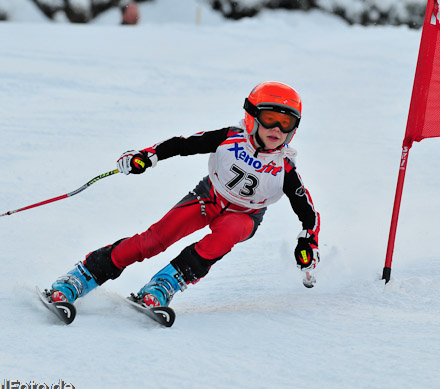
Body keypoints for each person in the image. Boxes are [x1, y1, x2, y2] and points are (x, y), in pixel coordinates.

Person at [47, 81, 320, 308]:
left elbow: (308, 212)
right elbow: (183, 144)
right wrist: (147, 156)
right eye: (270, 119)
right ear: (252, 116)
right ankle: (83, 275)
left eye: (286, 122)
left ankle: (165, 284)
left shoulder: (284, 168)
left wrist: (309, 242)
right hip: (207, 197)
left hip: (245, 214)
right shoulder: (229, 138)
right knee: (154, 240)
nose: (277, 129)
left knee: (227, 234)